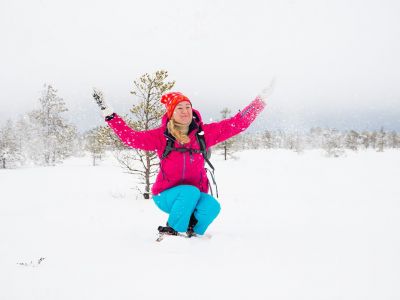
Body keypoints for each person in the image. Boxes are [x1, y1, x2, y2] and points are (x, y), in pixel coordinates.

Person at [92, 82, 273, 237]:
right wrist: (109, 114)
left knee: (211, 206)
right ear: (171, 112)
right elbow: (130, 137)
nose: (185, 111)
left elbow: (238, 124)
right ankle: (172, 233)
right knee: (189, 192)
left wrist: (261, 101)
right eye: (180, 108)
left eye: (188, 106)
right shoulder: (161, 136)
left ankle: (193, 236)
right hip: (165, 196)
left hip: (192, 197)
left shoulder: (203, 134)